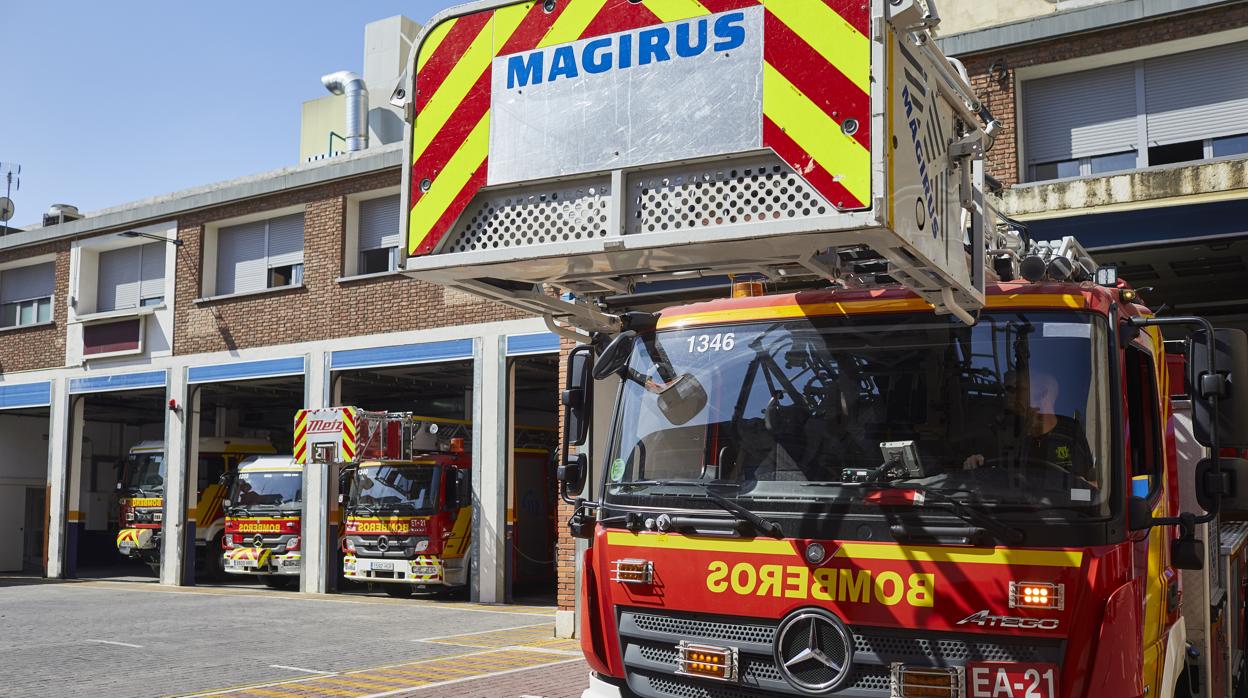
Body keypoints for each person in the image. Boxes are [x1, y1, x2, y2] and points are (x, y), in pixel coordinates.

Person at [963, 370, 1096, 484]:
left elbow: (1090, 485)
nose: (1014, 399)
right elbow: (987, 470)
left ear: (1043, 395)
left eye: (1020, 391)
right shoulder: (1009, 432)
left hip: (1063, 510)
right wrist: (974, 463)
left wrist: (1083, 486)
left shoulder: (1070, 433)